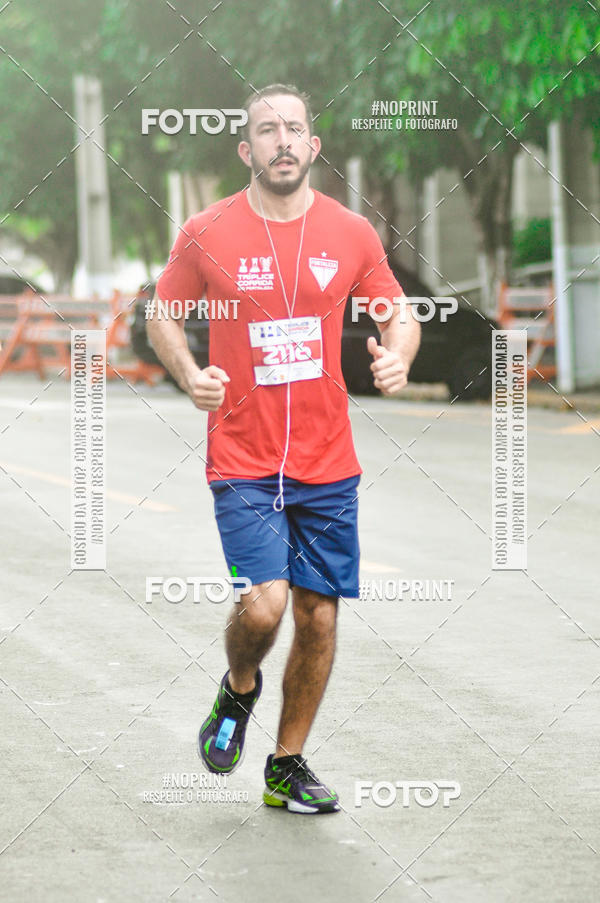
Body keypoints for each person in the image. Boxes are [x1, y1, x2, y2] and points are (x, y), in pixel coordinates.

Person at [147, 83, 420, 814]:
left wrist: (399, 355)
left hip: (329, 462)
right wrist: (189, 373)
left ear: (314, 145)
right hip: (242, 458)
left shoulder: (351, 232)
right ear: (247, 149)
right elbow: (162, 314)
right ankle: (239, 687)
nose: (283, 141)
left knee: (320, 617)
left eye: (295, 128)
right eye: (267, 130)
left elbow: (400, 314)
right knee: (264, 609)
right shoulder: (207, 230)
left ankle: (286, 764)